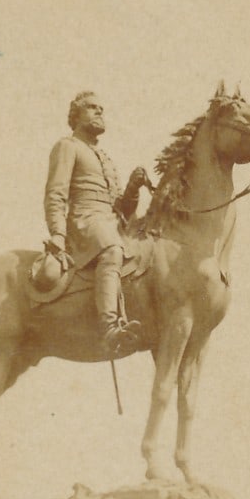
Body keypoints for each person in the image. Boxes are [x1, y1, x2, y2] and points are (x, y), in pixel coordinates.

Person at [43, 92, 150, 357]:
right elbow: (56, 193)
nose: (99, 112)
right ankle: (109, 327)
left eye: (101, 108)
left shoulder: (104, 157)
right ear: (76, 116)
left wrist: (133, 189)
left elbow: (122, 209)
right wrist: (57, 233)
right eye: (92, 108)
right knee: (112, 250)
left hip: (110, 223)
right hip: (84, 222)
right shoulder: (68, 146)